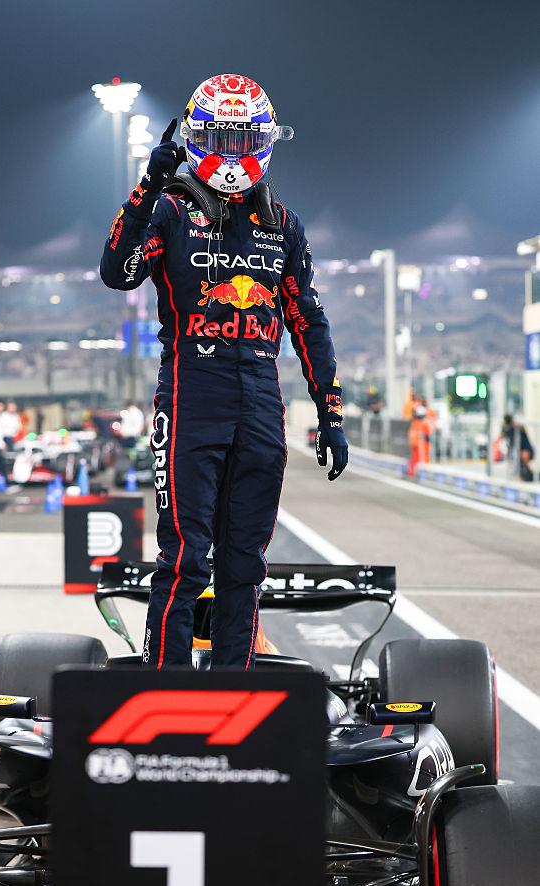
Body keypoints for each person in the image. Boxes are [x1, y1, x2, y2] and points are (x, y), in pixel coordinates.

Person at [100, 73, 348, 669]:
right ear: (196, 138)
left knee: (245, 563)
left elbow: (309, 322)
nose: (233, 154)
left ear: (265, 142)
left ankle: (236, 686)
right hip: (191, 395)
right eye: (221, 139)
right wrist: (147, 188)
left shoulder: (282, 225)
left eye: (244, 140)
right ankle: (164, 686)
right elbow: (117, 272)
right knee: (185, 558)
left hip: (261, 400)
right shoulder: (168, 209)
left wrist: (331, 412)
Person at [501, 413, 535, 482]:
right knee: (519, 464)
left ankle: (528, 476)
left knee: (524, 461)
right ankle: (522, 476)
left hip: (525, 450)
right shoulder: (507, 429)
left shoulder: (519, 428)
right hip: (518, 451)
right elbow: (501, 436)